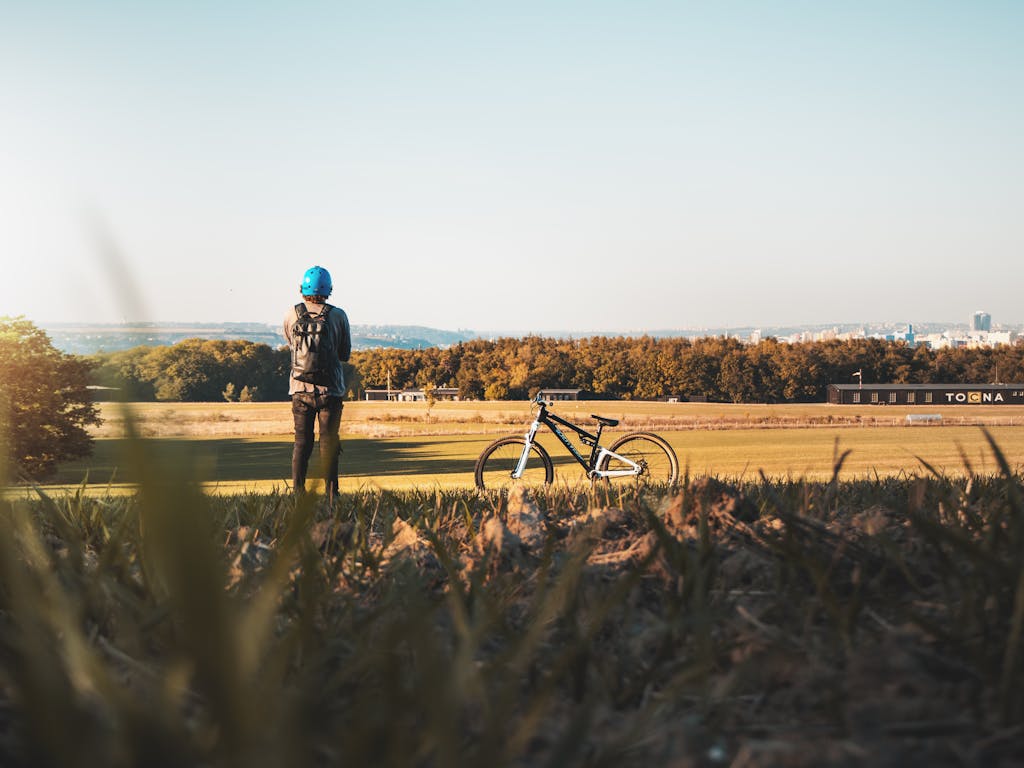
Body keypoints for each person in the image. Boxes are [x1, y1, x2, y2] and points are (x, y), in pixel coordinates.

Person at [283, 265, 351, 502]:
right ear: (328, 289)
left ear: (302, 288)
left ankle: (298, 494)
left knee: (301, 442)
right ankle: (332, 494)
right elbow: (344, 354)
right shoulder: (338, 315)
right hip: (330, 390)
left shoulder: (292, 314)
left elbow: (291, 344)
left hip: (299, 389)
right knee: (328, 442)